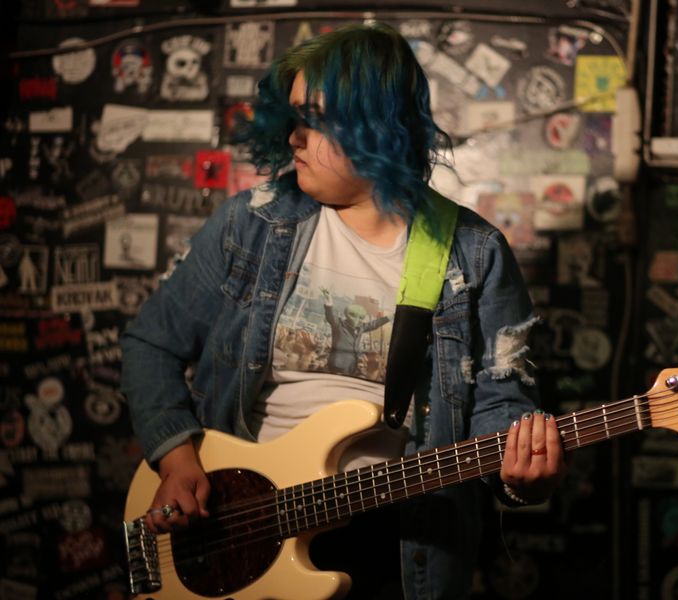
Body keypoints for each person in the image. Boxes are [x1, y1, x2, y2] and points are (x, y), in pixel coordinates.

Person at [121, 22, 564, 599]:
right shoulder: (252, 222)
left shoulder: (474, 252)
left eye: (313, 121)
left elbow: (503, 406)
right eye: (294, 119)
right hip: (237, 526)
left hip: (398, 541)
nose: (294, 138)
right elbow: (151, 343)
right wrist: (177, 459)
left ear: (376, 129)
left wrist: (523, 478)